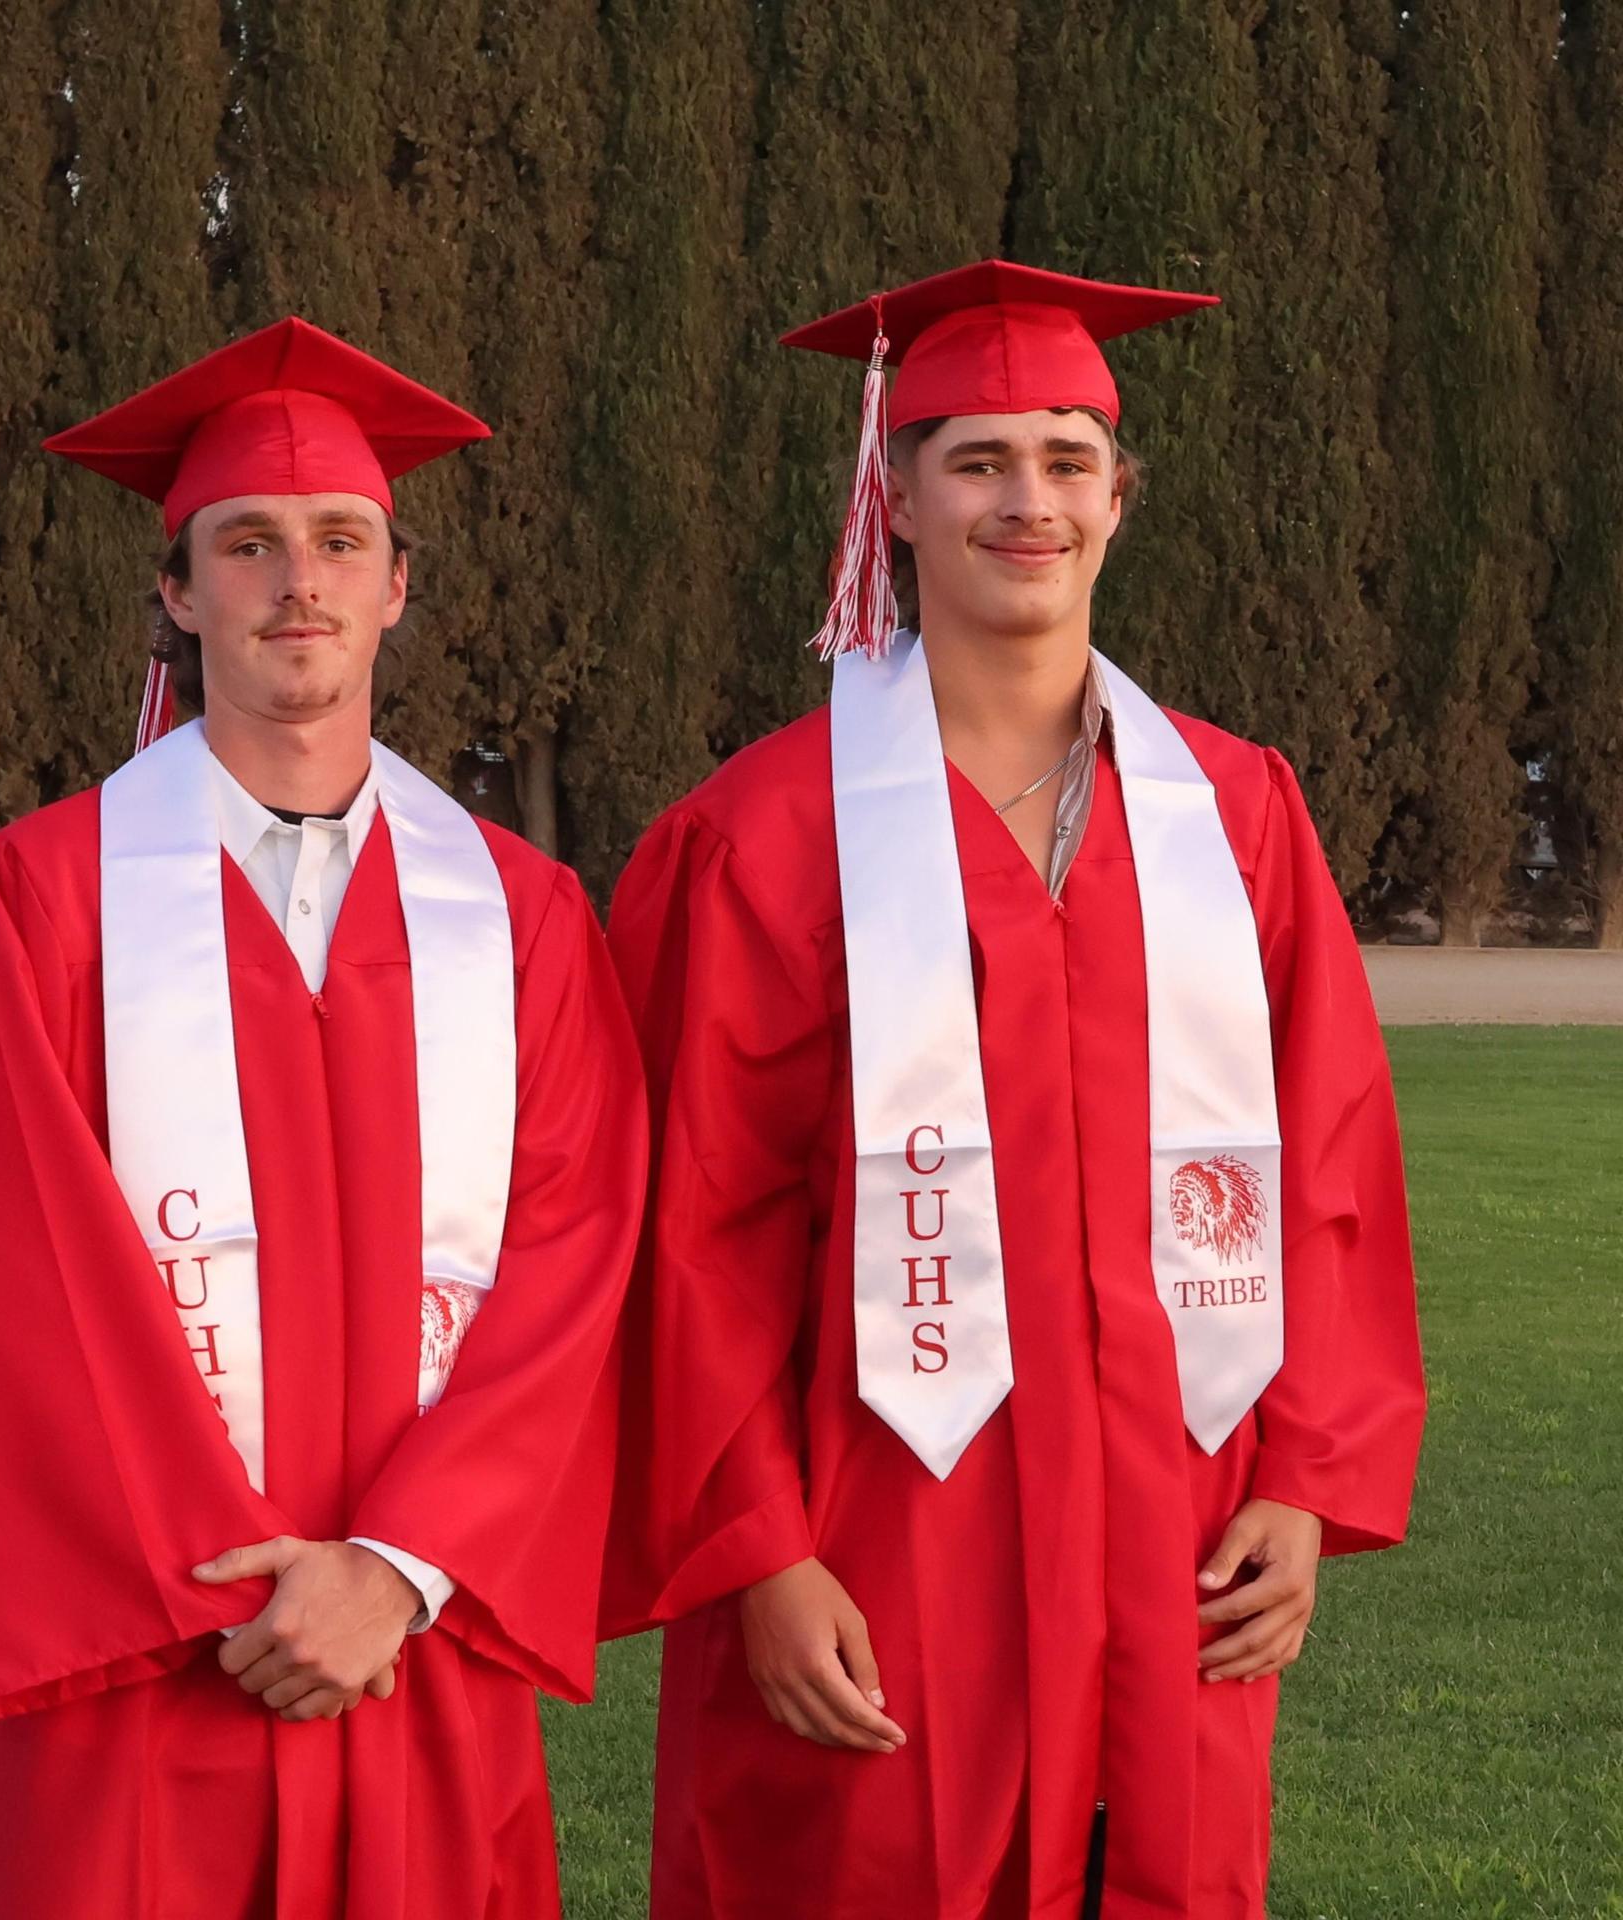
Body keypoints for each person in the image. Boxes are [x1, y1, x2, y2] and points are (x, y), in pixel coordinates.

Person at [603, 261, 1425, 1919]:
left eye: (1066, 460)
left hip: (1177, 1535)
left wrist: (1301, 1477)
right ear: (894, 500)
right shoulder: (760, 840)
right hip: (885, 1537)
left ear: (1121, 498)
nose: (1027, 501)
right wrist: (758, 1549)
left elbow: (1330, 1160)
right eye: (977, 461)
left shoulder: (1236, 815)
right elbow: (691, 1228)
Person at [0, 316, 647, 1918]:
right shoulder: (49, 897)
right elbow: (13, 1282)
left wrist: (399, 1567)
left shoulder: (520, 913)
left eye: (339, 541)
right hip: (147, 1660)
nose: (297, 580)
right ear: (180, 594)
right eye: (248, 543)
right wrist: (235, 1584)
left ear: (397, 587)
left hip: (417, 1649)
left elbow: (575, 1266)